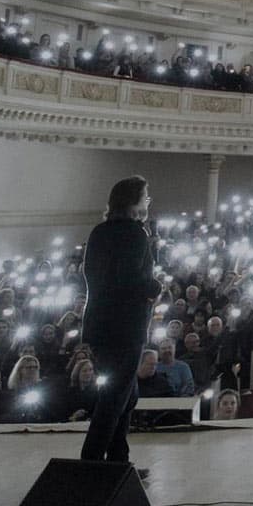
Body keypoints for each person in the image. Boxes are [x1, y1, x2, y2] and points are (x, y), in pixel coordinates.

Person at [80, 176, 163, 467]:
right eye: (146, 194)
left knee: (126, 396)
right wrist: (155, 287)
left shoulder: (99, 232)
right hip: (125, 326)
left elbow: (91, 275)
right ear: (133, 200)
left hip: (99, 323)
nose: (148, 199)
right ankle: (90, 462)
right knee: (115, 398)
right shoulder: (135, 233)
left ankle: (119, 461)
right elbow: (130, 279)